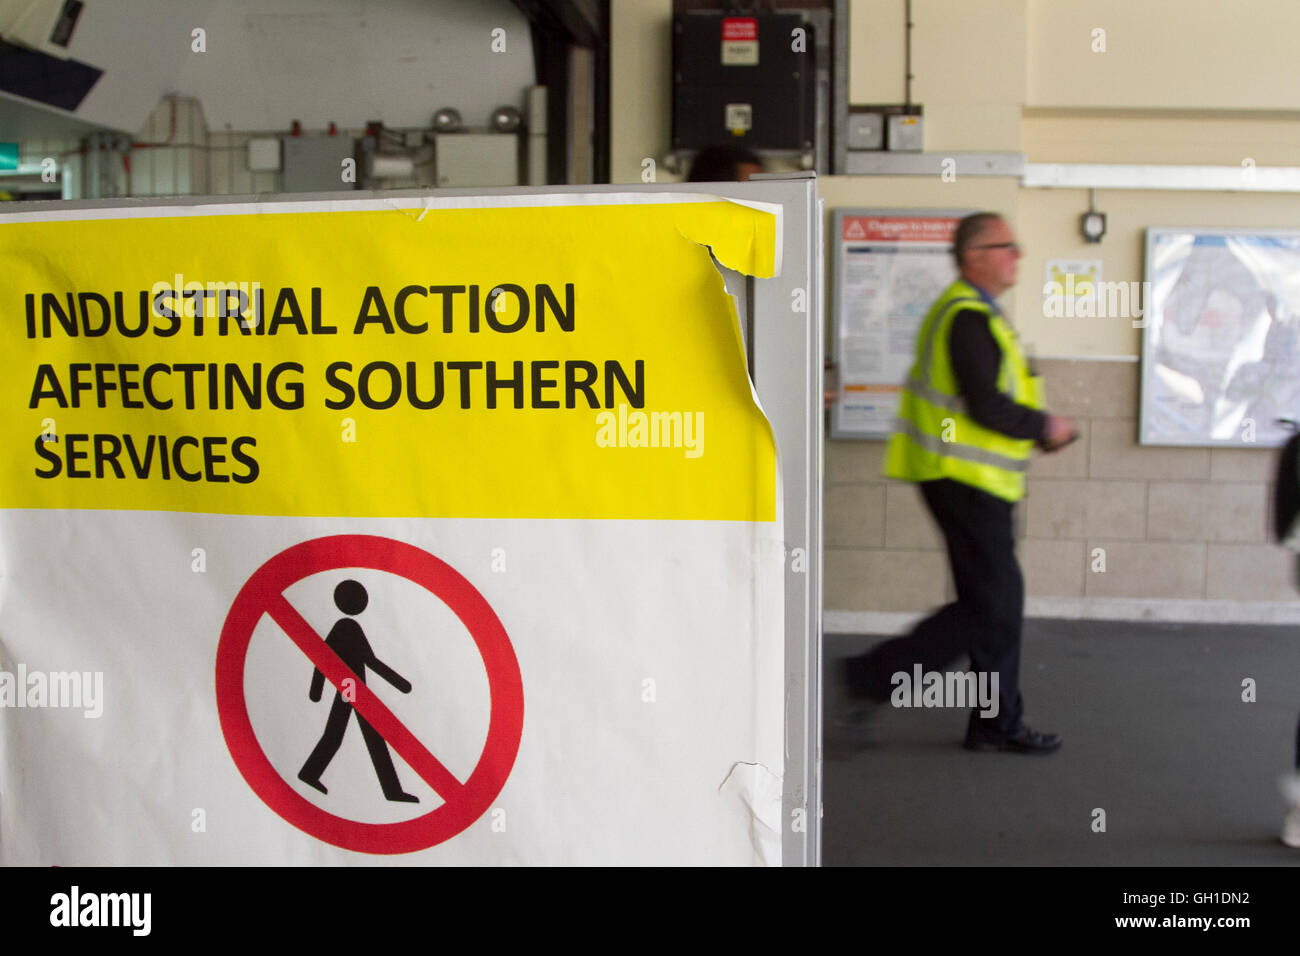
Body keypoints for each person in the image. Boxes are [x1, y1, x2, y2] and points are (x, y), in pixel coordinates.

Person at [841, 212, 1076, 754]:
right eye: (1006, 246)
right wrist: (1046, 426)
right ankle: (869, 680)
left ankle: (993, 722)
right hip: (964, 482)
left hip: (972, 482)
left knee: (992, 603)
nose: (1017, 254)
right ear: (974, 256)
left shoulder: (979, 315)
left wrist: (1036, 431)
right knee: (991, 603)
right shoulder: (967, 317)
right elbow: (986, 404)